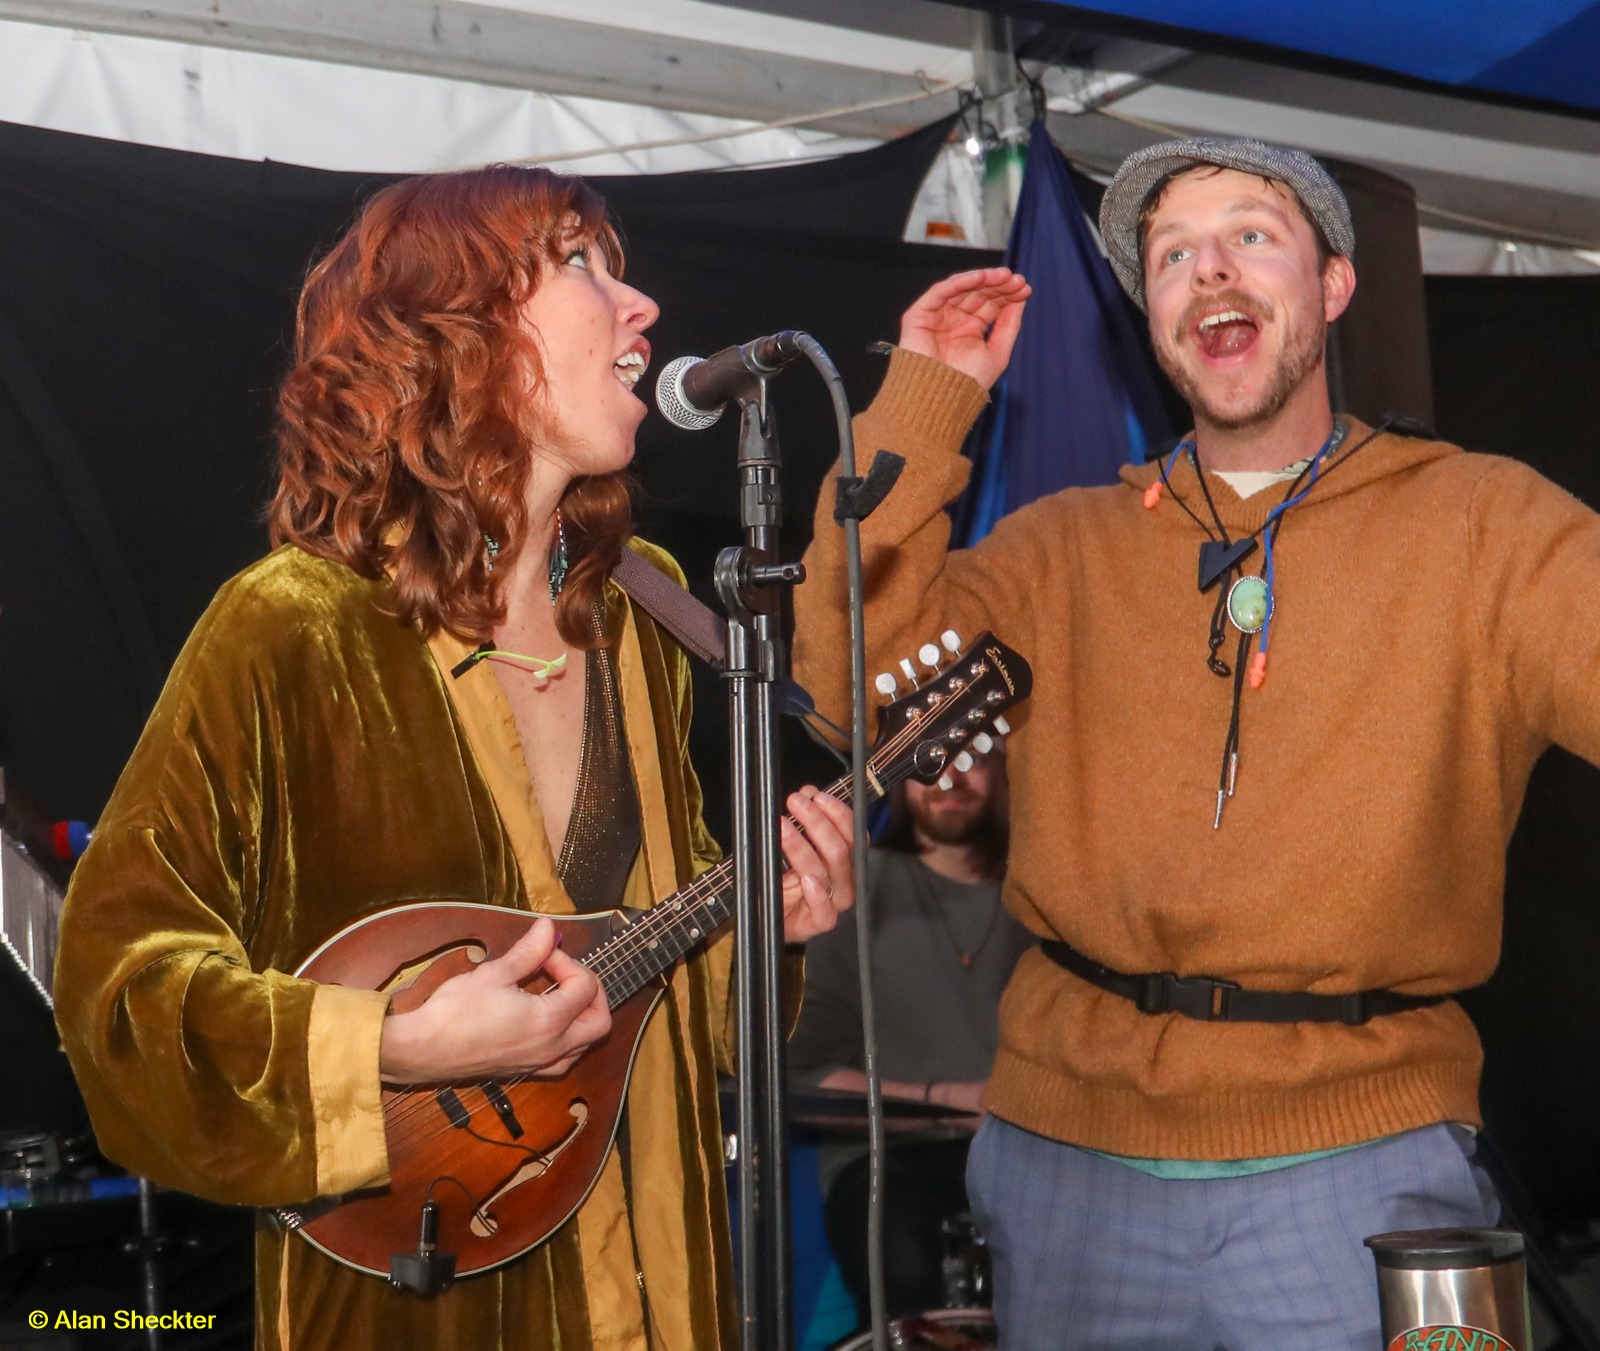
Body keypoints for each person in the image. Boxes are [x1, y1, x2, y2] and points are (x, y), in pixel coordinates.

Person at [791, 135, 1583, 1350]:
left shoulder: (1484, 521)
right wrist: (928, 394)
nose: (1208, 272)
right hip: (1068, 1161)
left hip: (1358, 1158)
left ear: (1331, 286)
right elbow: (852, 690)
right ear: (1151, 316)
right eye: (1171, 257)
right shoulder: (1060, 549)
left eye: (1251, 236)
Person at [52, 165, 855, 1351]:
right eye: (580, 265)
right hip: (421, 1296)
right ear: (454, 334)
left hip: (670, 1286)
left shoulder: (645, 616)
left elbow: (660, 1001)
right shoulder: (295, 624)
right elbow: (118, 994)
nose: (638, 308)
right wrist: (392, 1047)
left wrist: (766, 929)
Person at [789, 748, 1031, 1325]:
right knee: (902, 1242)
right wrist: (951, 1102)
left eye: (973, 753)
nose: (949, 774)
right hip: (891, 1166)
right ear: (897, 777)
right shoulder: (854, 892)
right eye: (933, 759)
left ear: (1006, 764)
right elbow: (801, 1075)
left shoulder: (1044, 899)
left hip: (1032, 1164)